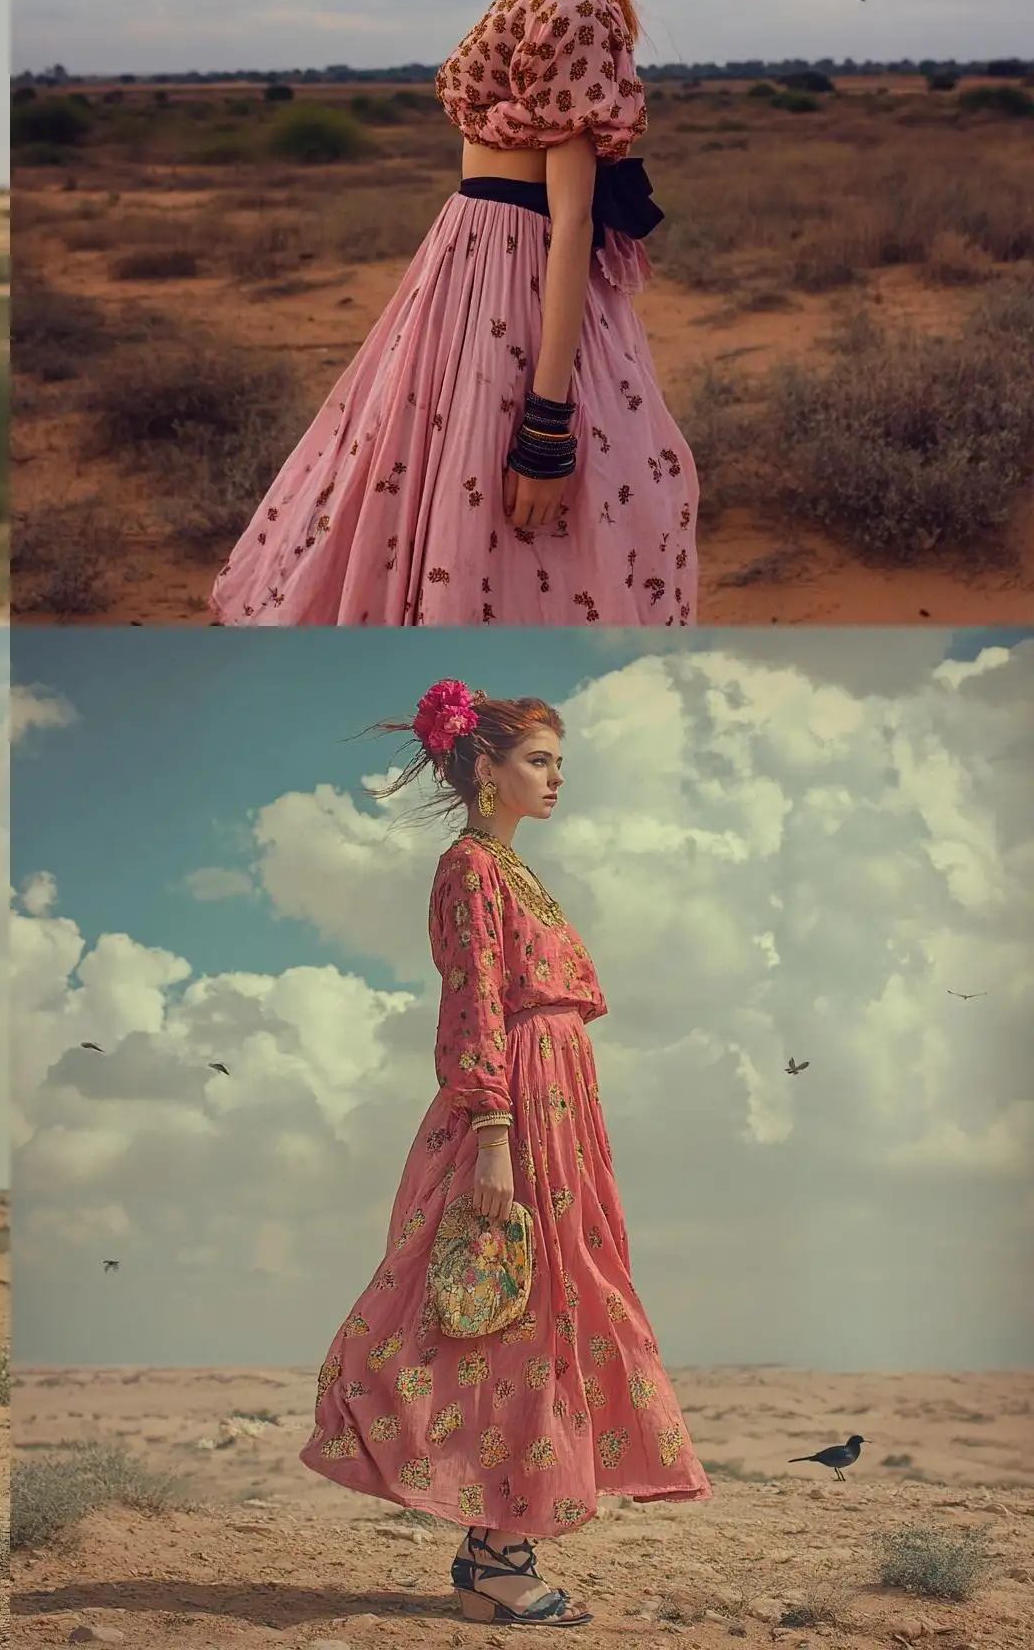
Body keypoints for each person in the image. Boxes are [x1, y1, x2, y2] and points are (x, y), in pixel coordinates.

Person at [210, 0, 695, 628]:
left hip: (505, 287)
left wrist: (548, 427)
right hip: (475, 273)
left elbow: (575, 221)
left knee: (483, 545)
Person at [299, 680, 709, 1626]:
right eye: (539, 761)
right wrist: (492, 1132)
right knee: (508, 1311)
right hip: (515, 1103)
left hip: (559, 1103)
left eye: (561, 763)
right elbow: (474, 1000)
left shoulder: (516, 869)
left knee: (562, 1301)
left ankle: (496, 1542)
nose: (558, 779)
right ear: (485, 769)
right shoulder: (470, 868)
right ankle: (497, 1550)